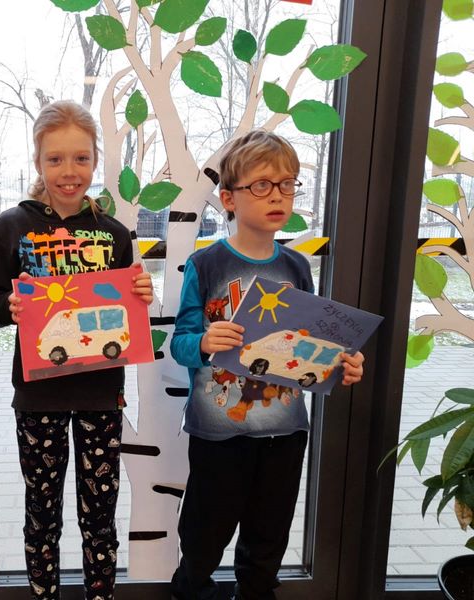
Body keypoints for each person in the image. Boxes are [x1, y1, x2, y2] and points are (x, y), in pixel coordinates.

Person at [169, 130, 365, 600]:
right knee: (204, 536)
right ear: (228, 198)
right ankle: (190, 590)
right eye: (261, 185)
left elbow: (310, 347)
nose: (277, 195)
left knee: (267, 540)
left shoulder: (297, 267)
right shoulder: (207, 264)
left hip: (284, 431)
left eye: (287, 183)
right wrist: (204, 342)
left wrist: (342, 364)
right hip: (218, 433)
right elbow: (180, 345)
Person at [0, 100, 154, 600]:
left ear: (95, 160)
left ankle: (100, 594)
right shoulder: (10, 227)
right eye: (55, 159)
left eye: (81, 158)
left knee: (99, 516)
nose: (69, 171)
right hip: (38, 396)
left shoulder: (113, 233)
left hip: (101, 394)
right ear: (38, 161)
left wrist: (141, 295)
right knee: (42, 515)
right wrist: (9, 305)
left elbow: (126, 311)